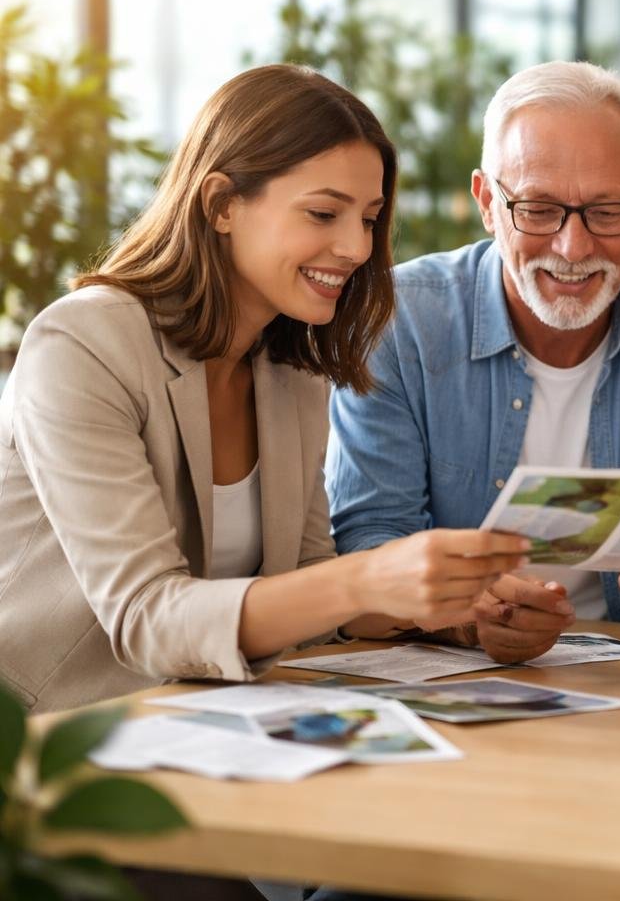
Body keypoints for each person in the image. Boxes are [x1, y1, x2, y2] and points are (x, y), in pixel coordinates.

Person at [0, 64, 526, 716]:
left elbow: (307, 605)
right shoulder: (84, 344)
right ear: (221, 203)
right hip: (49, 741)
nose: (358, 247)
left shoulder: (291, 372)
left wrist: (452, 611)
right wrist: (364, 575)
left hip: (196, 724)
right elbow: (146, 616)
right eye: (324, 213)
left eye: (369, 217)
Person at [326, 61, 620, 662]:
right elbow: (367, 540)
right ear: (486, 201)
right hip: (455, 677)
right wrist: (464, 619)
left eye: (609, 211)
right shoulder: (398, 320)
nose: (573, 247)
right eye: (536, 209)